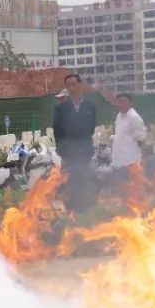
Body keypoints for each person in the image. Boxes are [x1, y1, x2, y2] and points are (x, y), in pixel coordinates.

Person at [52, 73, 98, 212]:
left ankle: (86, 209)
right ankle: (71, 210)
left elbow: (91, 127)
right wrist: (62, 148)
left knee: (85, 178)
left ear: (80, 85)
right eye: (68, 85)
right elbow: (57, 130)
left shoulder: (89, 106)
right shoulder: (61, 108)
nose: (71, 87)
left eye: (74, 84)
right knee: (70, 180)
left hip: (84, 148)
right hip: (68, 150)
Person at [110, 93, 148, 174]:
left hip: (131, 161)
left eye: (123, 101)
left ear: (130, 102)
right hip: (118, 160)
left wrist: (140, 159)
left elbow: (141, 139)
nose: (121, 104)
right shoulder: (119, 116)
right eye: (118, 102)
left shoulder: (134, 117)